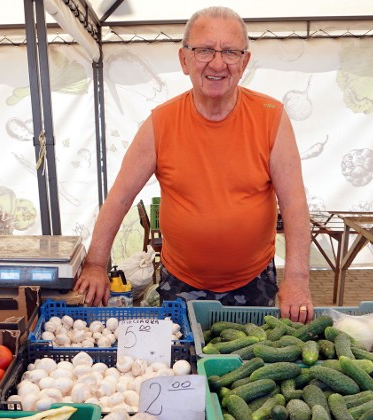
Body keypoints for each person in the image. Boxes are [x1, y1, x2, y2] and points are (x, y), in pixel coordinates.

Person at [74, 6, 313, 322]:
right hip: (181, 282)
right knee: (185, 364)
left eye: (230, 52)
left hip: (254, 281)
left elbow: (295, 205)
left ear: (244, 62)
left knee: (246, 364)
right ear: (184, 59)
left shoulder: (272, 117)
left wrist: (297, 280)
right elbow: (119, 198)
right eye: (204, 51)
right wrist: (94, 265)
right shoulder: (161, 123)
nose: (217, 63)